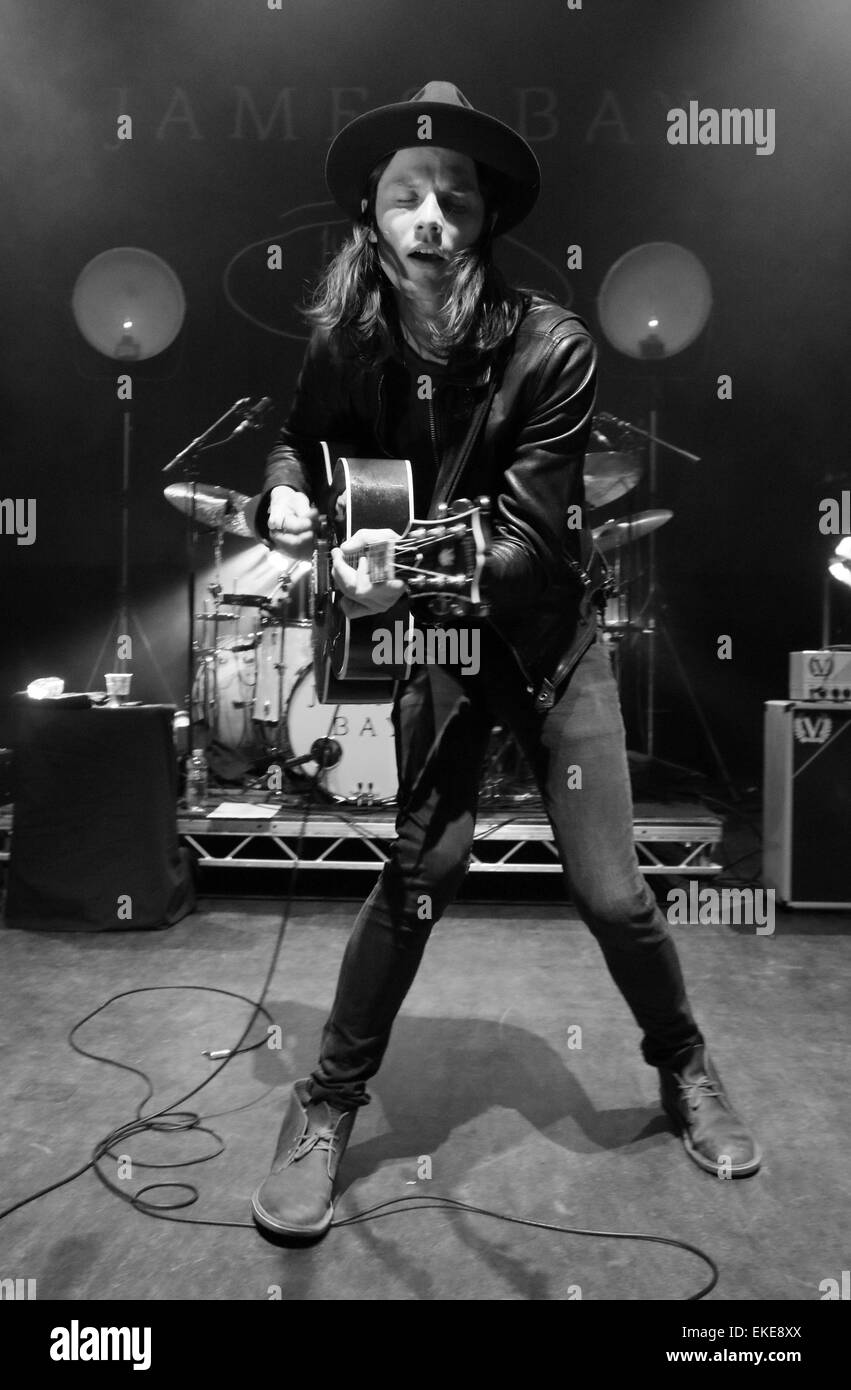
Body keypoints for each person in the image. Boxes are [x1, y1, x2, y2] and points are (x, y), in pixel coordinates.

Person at [250, 82, 760, 1240]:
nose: (428, 215)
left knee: (614, 893)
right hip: (441, 644)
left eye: (452, 196)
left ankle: (682, 1066)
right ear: (372, 219)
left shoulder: (553, 348)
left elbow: (529, 549)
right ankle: (326, 1106)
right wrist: (290, 503)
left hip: (543, 646)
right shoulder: (345, 345)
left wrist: (383, 570)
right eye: (404, 196)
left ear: (480, 220)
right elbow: (297, 440)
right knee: (419, 879)